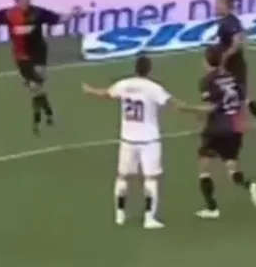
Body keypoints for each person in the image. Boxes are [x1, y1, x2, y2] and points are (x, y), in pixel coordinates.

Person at [82, 55, 202, 230]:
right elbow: (175, 104)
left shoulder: (124, 84)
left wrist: (89, 90)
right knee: (150, 178)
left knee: (123, 176)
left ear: (135, 68)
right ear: (149, 69)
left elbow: (105, 93)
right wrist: (196, 111)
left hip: (127, 139)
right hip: (149, 140)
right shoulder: (153, 88)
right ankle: (149, 218)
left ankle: (120, 214)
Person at [0, 0, 80, 135]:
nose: (24, 1)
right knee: (35, 88)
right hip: (21, 57)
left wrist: (73, 13)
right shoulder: (8, 14)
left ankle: (45, 116)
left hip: (39, 53)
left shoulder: (38, 13)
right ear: (16, 0)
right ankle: (46, 116)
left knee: (37, 84)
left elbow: (59, 19)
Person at [196, 45, 256, 219]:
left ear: (206, 61)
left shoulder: (207, 81)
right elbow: (242, 100)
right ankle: (249, 185)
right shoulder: (231, 78)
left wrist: (193, 111)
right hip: (234, 128)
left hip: (216, 128)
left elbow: (211, 107)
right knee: (232, 166)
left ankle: (212, 208)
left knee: (204, 167)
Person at [213, 0, 256, 138]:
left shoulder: (231, 22)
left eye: (218, 3)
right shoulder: (227, 21)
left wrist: (224, 57)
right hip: (233, 65)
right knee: (237, 96)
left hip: (234, 66)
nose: (216, 6)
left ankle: (238, 127)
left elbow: (237, 43)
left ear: (225, 5)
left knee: (237, 97)